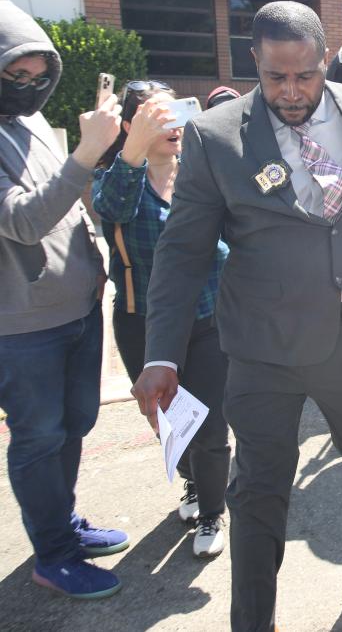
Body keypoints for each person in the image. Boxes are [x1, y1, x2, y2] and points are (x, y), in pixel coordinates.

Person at [130, 1, 342, 631]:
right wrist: (161, 353)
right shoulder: (216, 136)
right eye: (275, 77)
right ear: (255, 61)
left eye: (304, 76)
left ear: (322, 59)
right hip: (261, 347)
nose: (291, 91)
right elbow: (183, 252)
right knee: (256, 494)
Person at [0, 0, 128, 599]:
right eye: (13, 76)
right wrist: (83, 153)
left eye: (36, 76)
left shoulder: (27, 125)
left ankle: (62, 524)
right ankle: (52, 555)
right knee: (39, 436)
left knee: (75, 424)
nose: (28, 88)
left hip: (78, 308)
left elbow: (69, 199)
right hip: (23, 326)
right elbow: (24, 221)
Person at [91, 81, 231, 558]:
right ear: (132, 127)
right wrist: (130, 153)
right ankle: (193, 485)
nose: (171, 125)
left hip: (209, 320)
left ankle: (213, 509)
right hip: (143, 325)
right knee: (170, 422)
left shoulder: (202, 174)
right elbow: (109, 210)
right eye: (156, 116)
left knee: (211, 426)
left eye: (175, 114)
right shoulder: (117, 179)